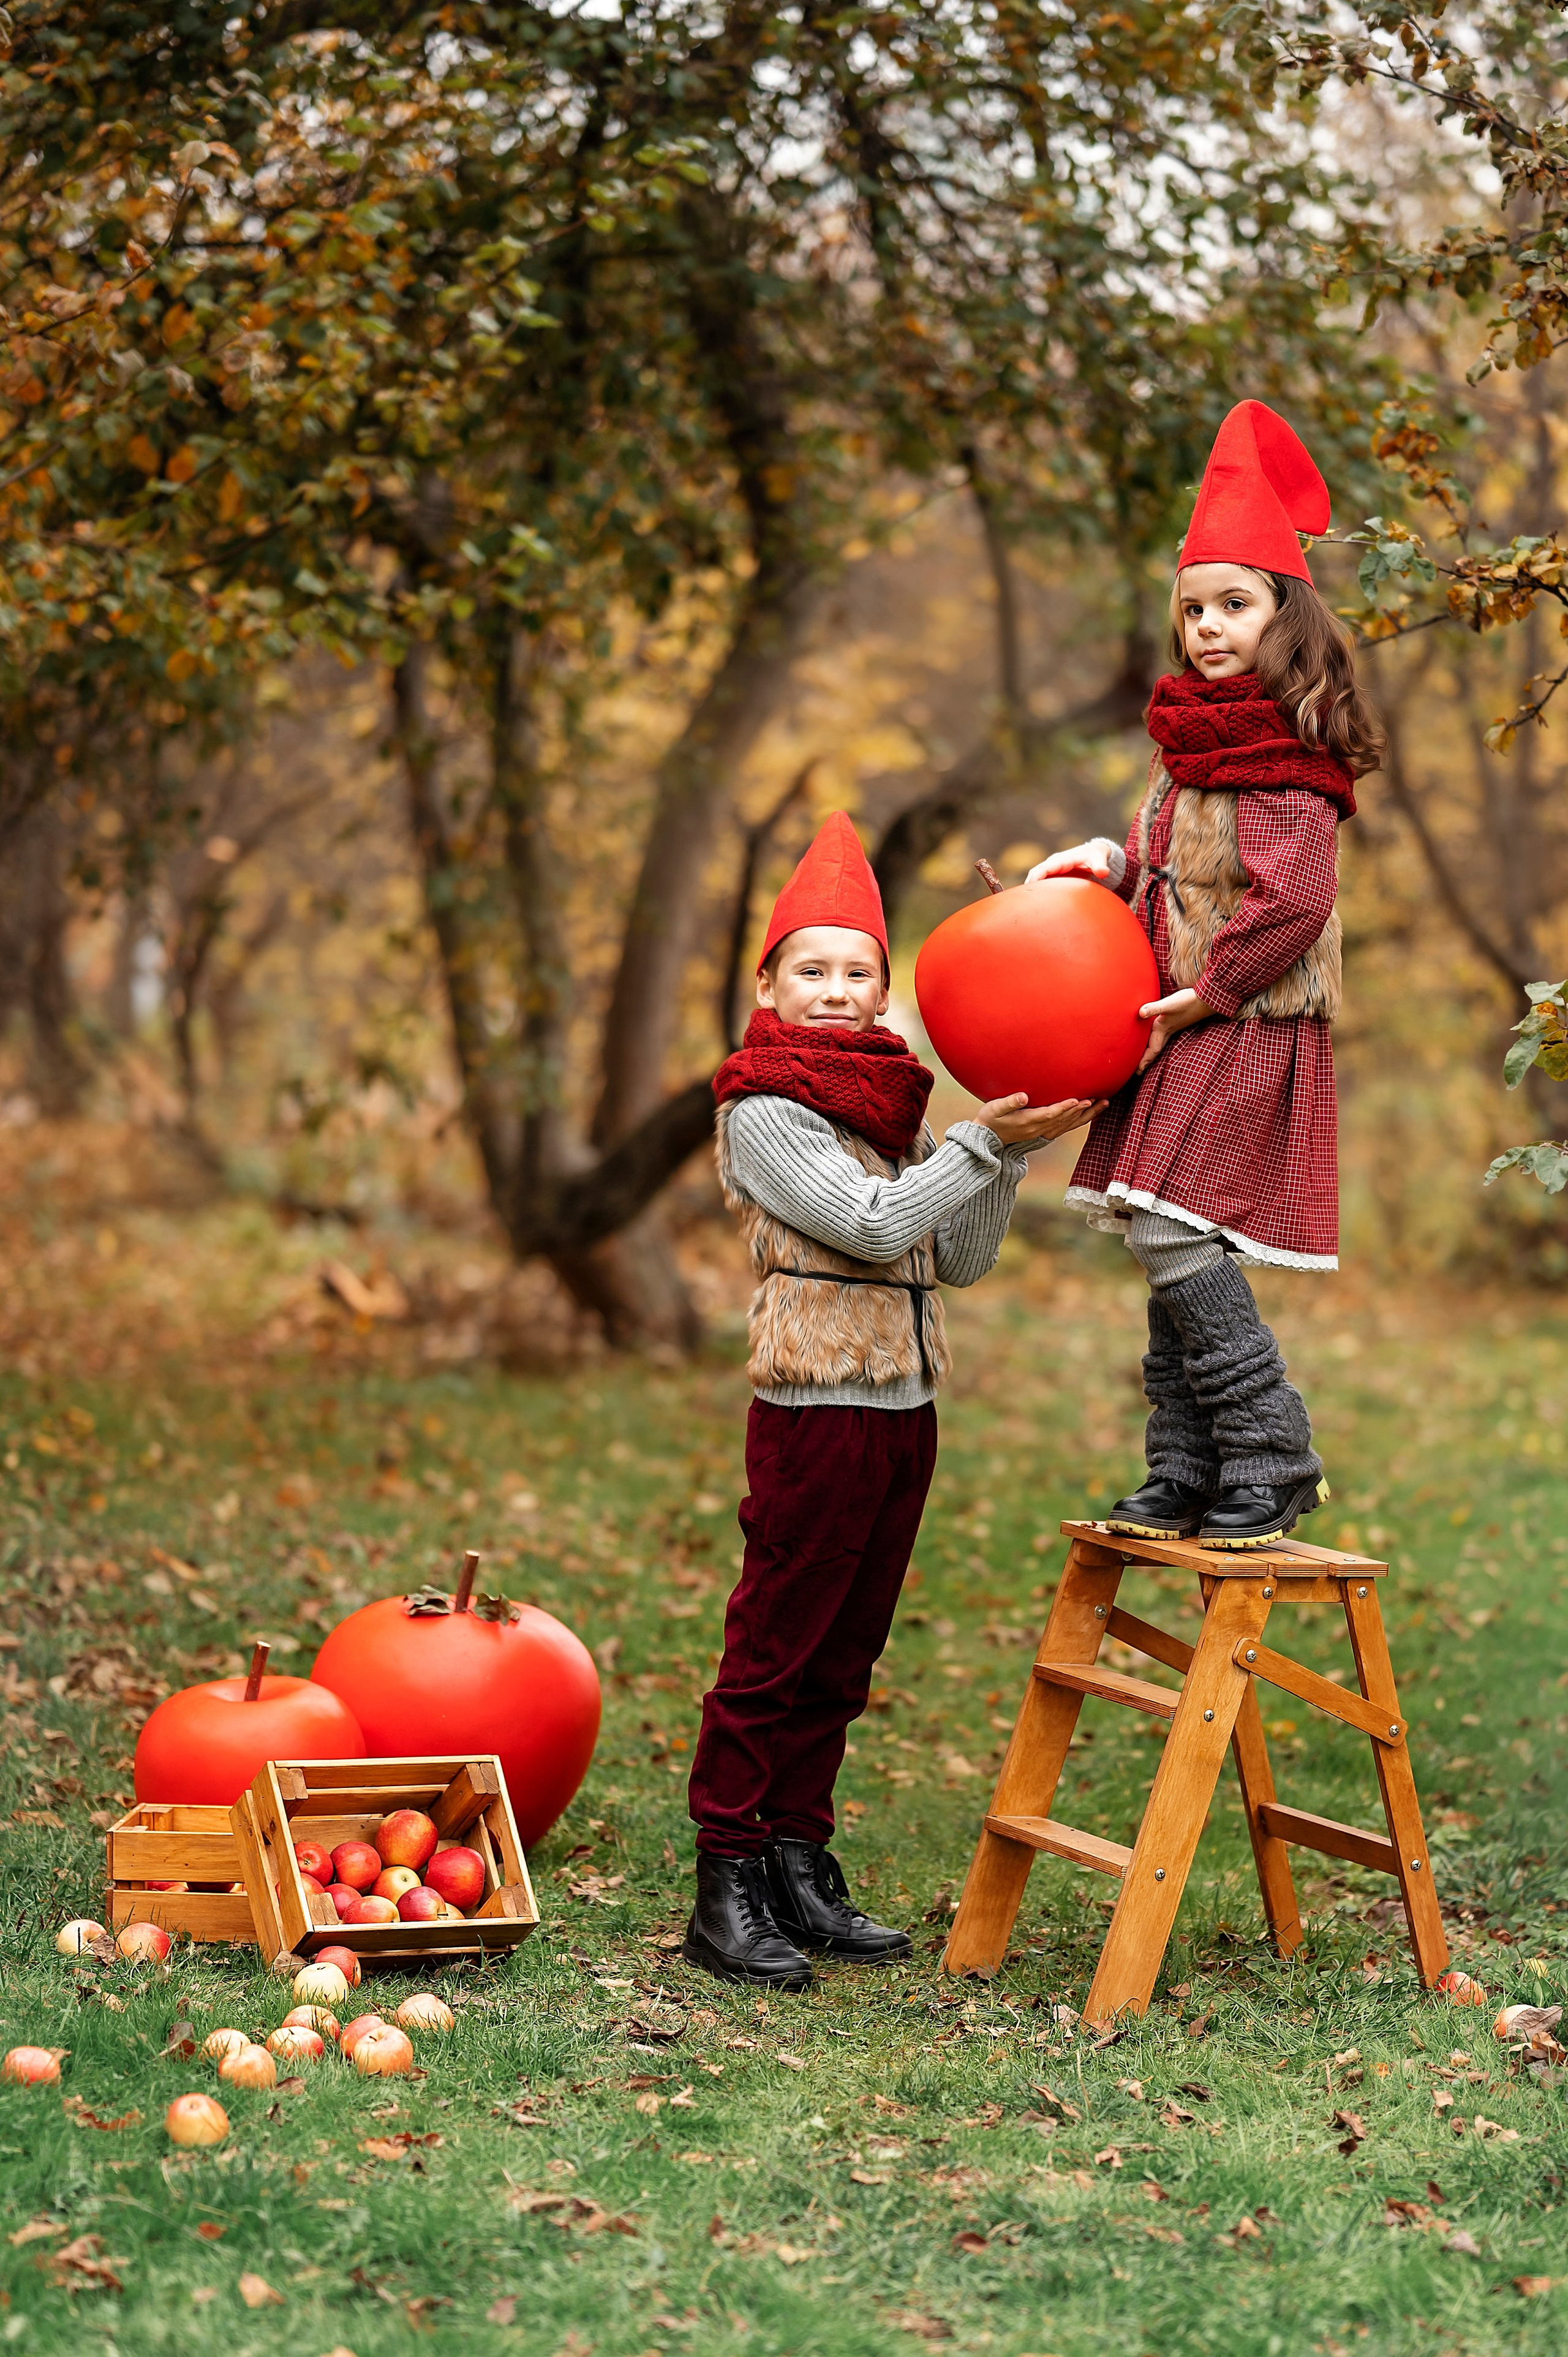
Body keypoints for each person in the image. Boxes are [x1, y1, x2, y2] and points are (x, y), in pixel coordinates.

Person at [684, 812, 1100, 1988]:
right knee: (776, 1643)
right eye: (811, 972)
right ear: (768, 986)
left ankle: (797, 1861)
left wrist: (1005, 1153)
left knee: (845, 1652)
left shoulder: (896, 1107)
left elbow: (955, 1256)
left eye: (857, 974)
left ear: (883, 990)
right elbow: (871, 1227)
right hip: (815, 1406)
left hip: (906, 1406)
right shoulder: (765, 1110)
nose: (835, 993)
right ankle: (726, 1880)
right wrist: (973, 1145)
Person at [1028, 399, 1382, 1550]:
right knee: (1162, 1227)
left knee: (1173, 1229)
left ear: (1287, 616)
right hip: (1186, 1018)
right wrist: (1106, 862)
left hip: (1244, 1020)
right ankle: (1186, 1465)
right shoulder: (1191, 746)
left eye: (1235, 604)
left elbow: (1295, 900)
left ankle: (1272, 1451)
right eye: (1193, 608)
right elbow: (1174, 869)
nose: (1209, 627)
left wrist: (1211, 989)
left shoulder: (1280, 749)